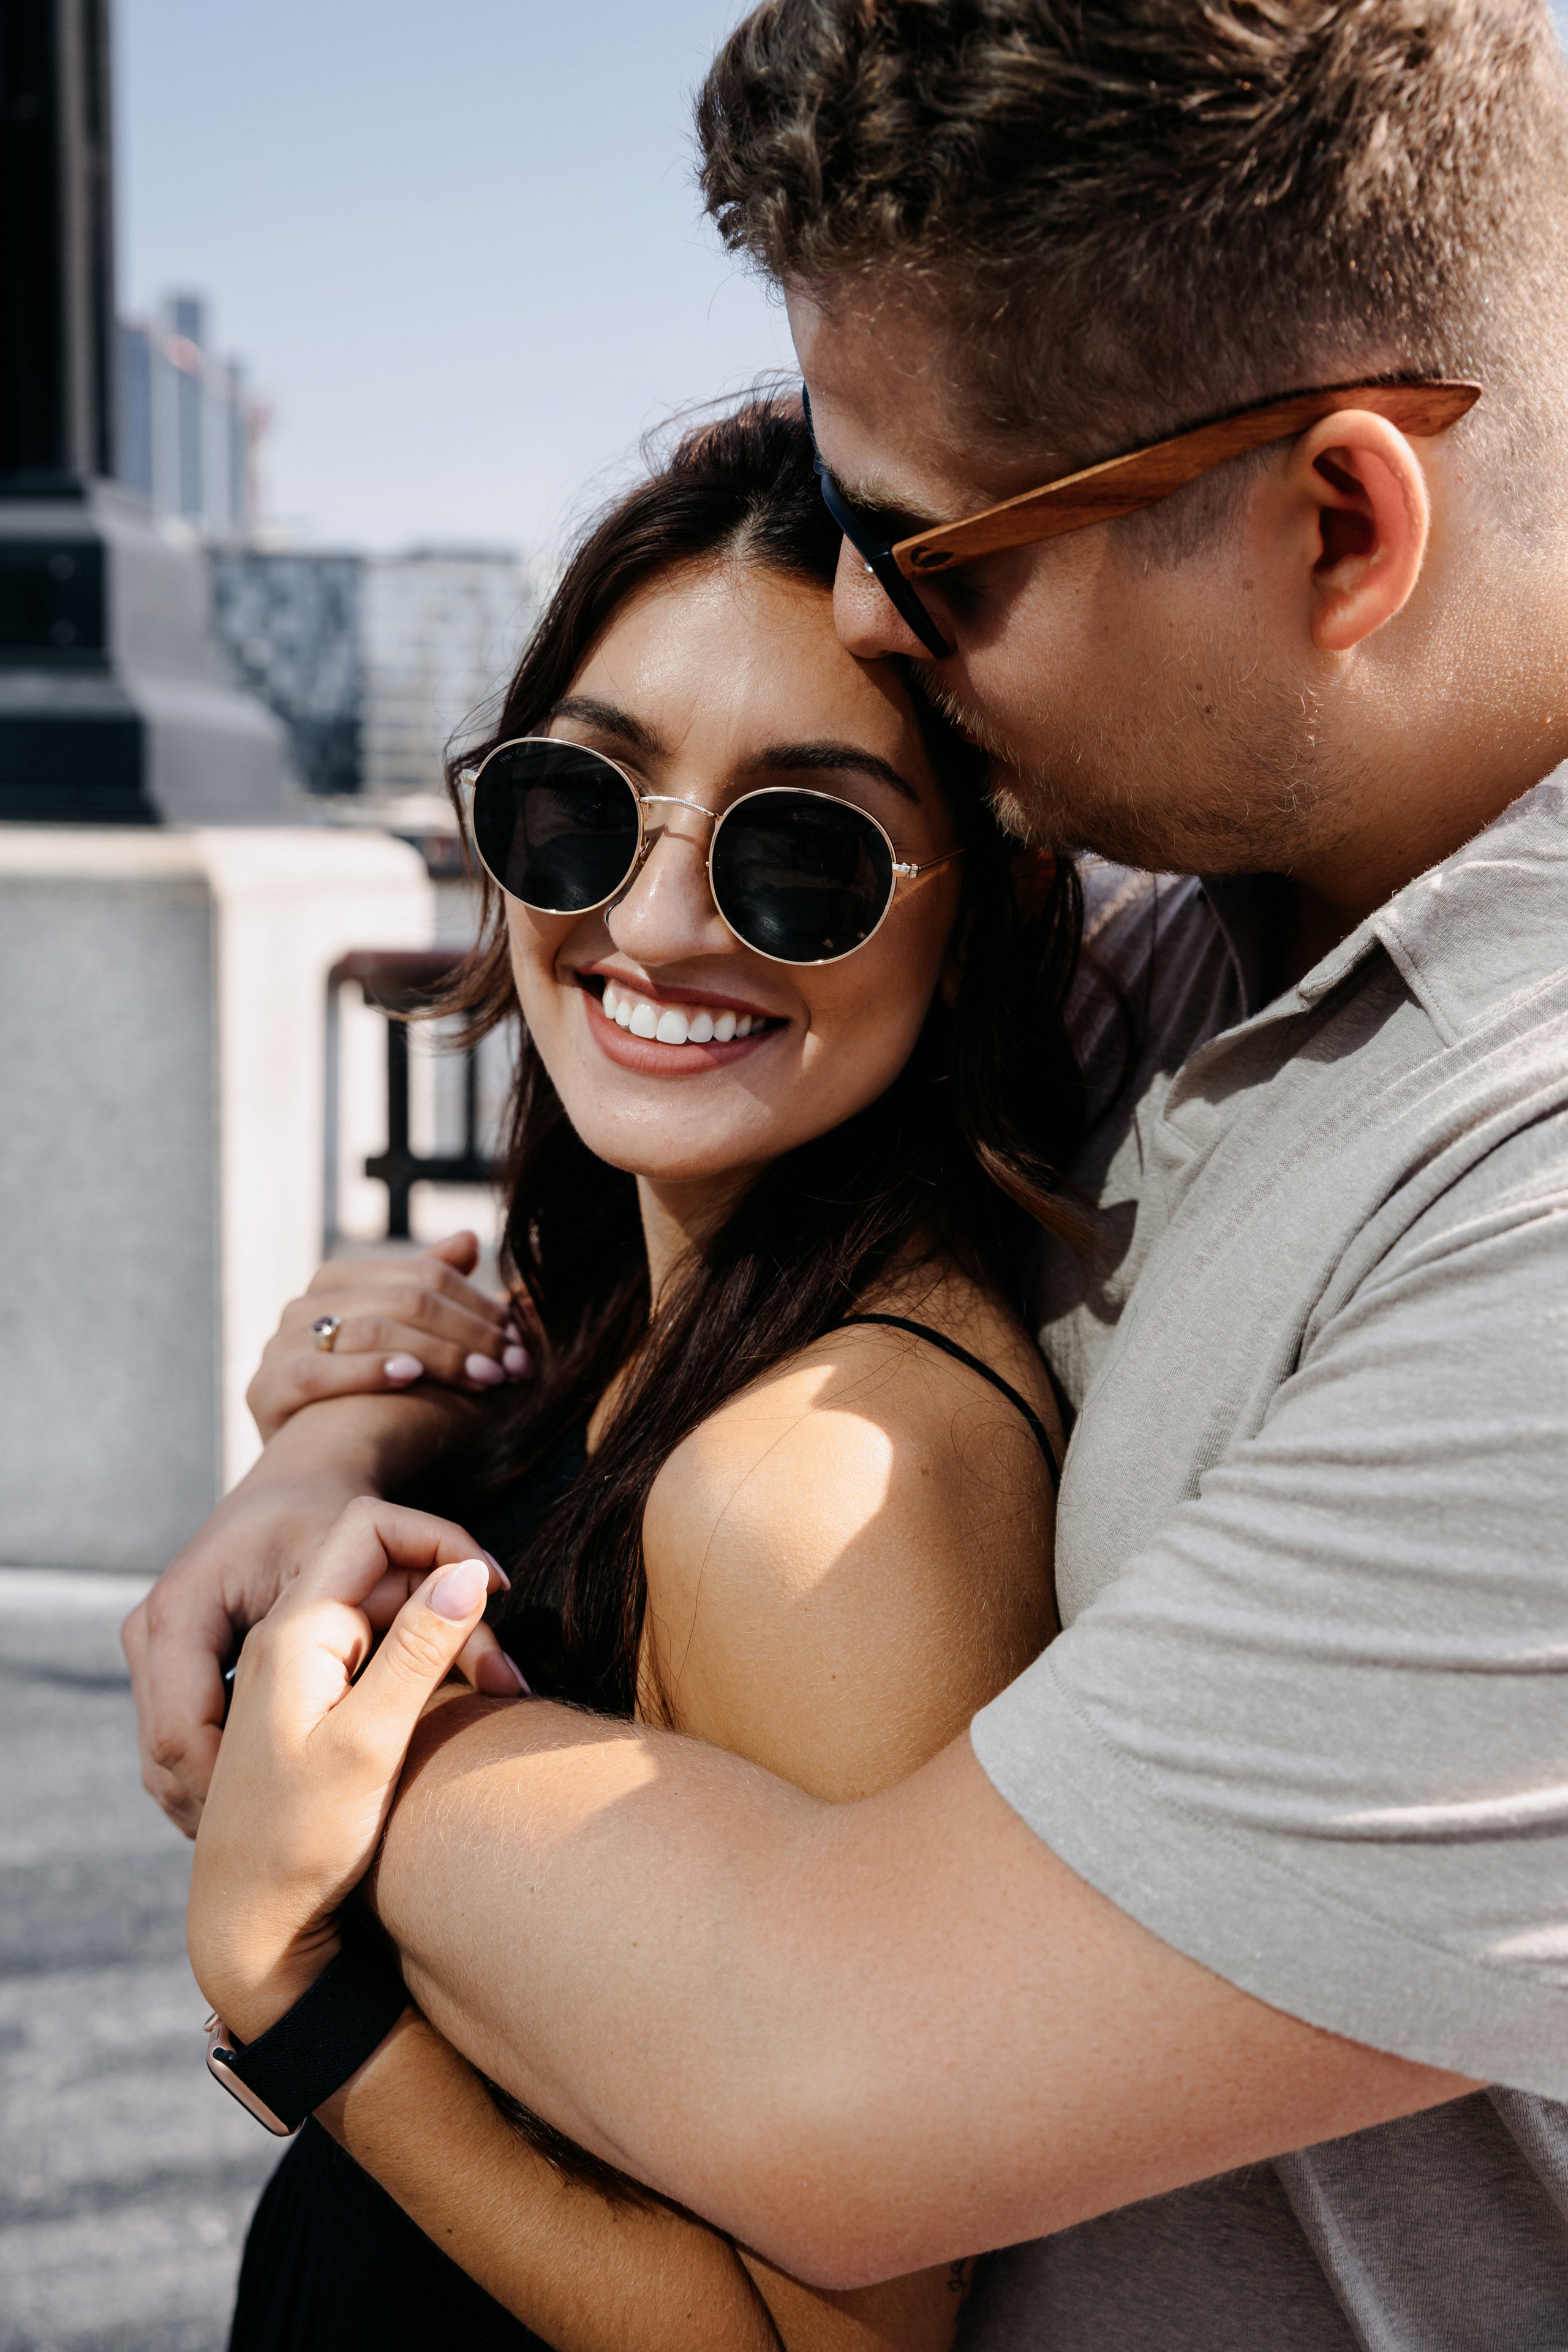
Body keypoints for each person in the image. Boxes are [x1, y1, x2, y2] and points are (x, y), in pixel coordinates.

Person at [128, 4, 1568, 2343]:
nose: (869, 610)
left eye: (939, 556)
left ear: (1338, 523)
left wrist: (336, 1760)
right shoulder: (1166, 930)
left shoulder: (1530, 1208)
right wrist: (365, 1435)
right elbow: (721, 1134)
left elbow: (838, 2075)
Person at [183, 398, 1080, 2350]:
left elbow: (843, 2342)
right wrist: (342, 1431)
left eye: (804, 858)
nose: (656, 918)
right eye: (580, 807)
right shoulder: (670, 1297)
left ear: (985, 903)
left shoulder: (819, 1490)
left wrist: (297, 1991)